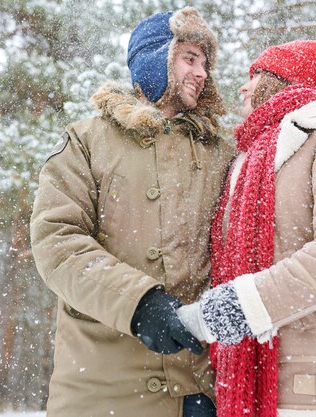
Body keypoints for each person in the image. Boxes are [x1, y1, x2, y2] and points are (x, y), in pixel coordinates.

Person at [30, 7, 234, 417]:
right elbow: (57, 241)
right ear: (156, 59)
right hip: (102, 391)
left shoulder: (222, 154)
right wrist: (138, 303)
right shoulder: (88, 140)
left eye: (205, 63)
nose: (201, 73)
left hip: (198, 391)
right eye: (189, 59)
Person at [177, 40, 316, 417]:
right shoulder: (249, 157)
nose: (243, 86)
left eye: (255, 75)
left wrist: (239, 306)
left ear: (281, 79)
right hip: (250, 389)